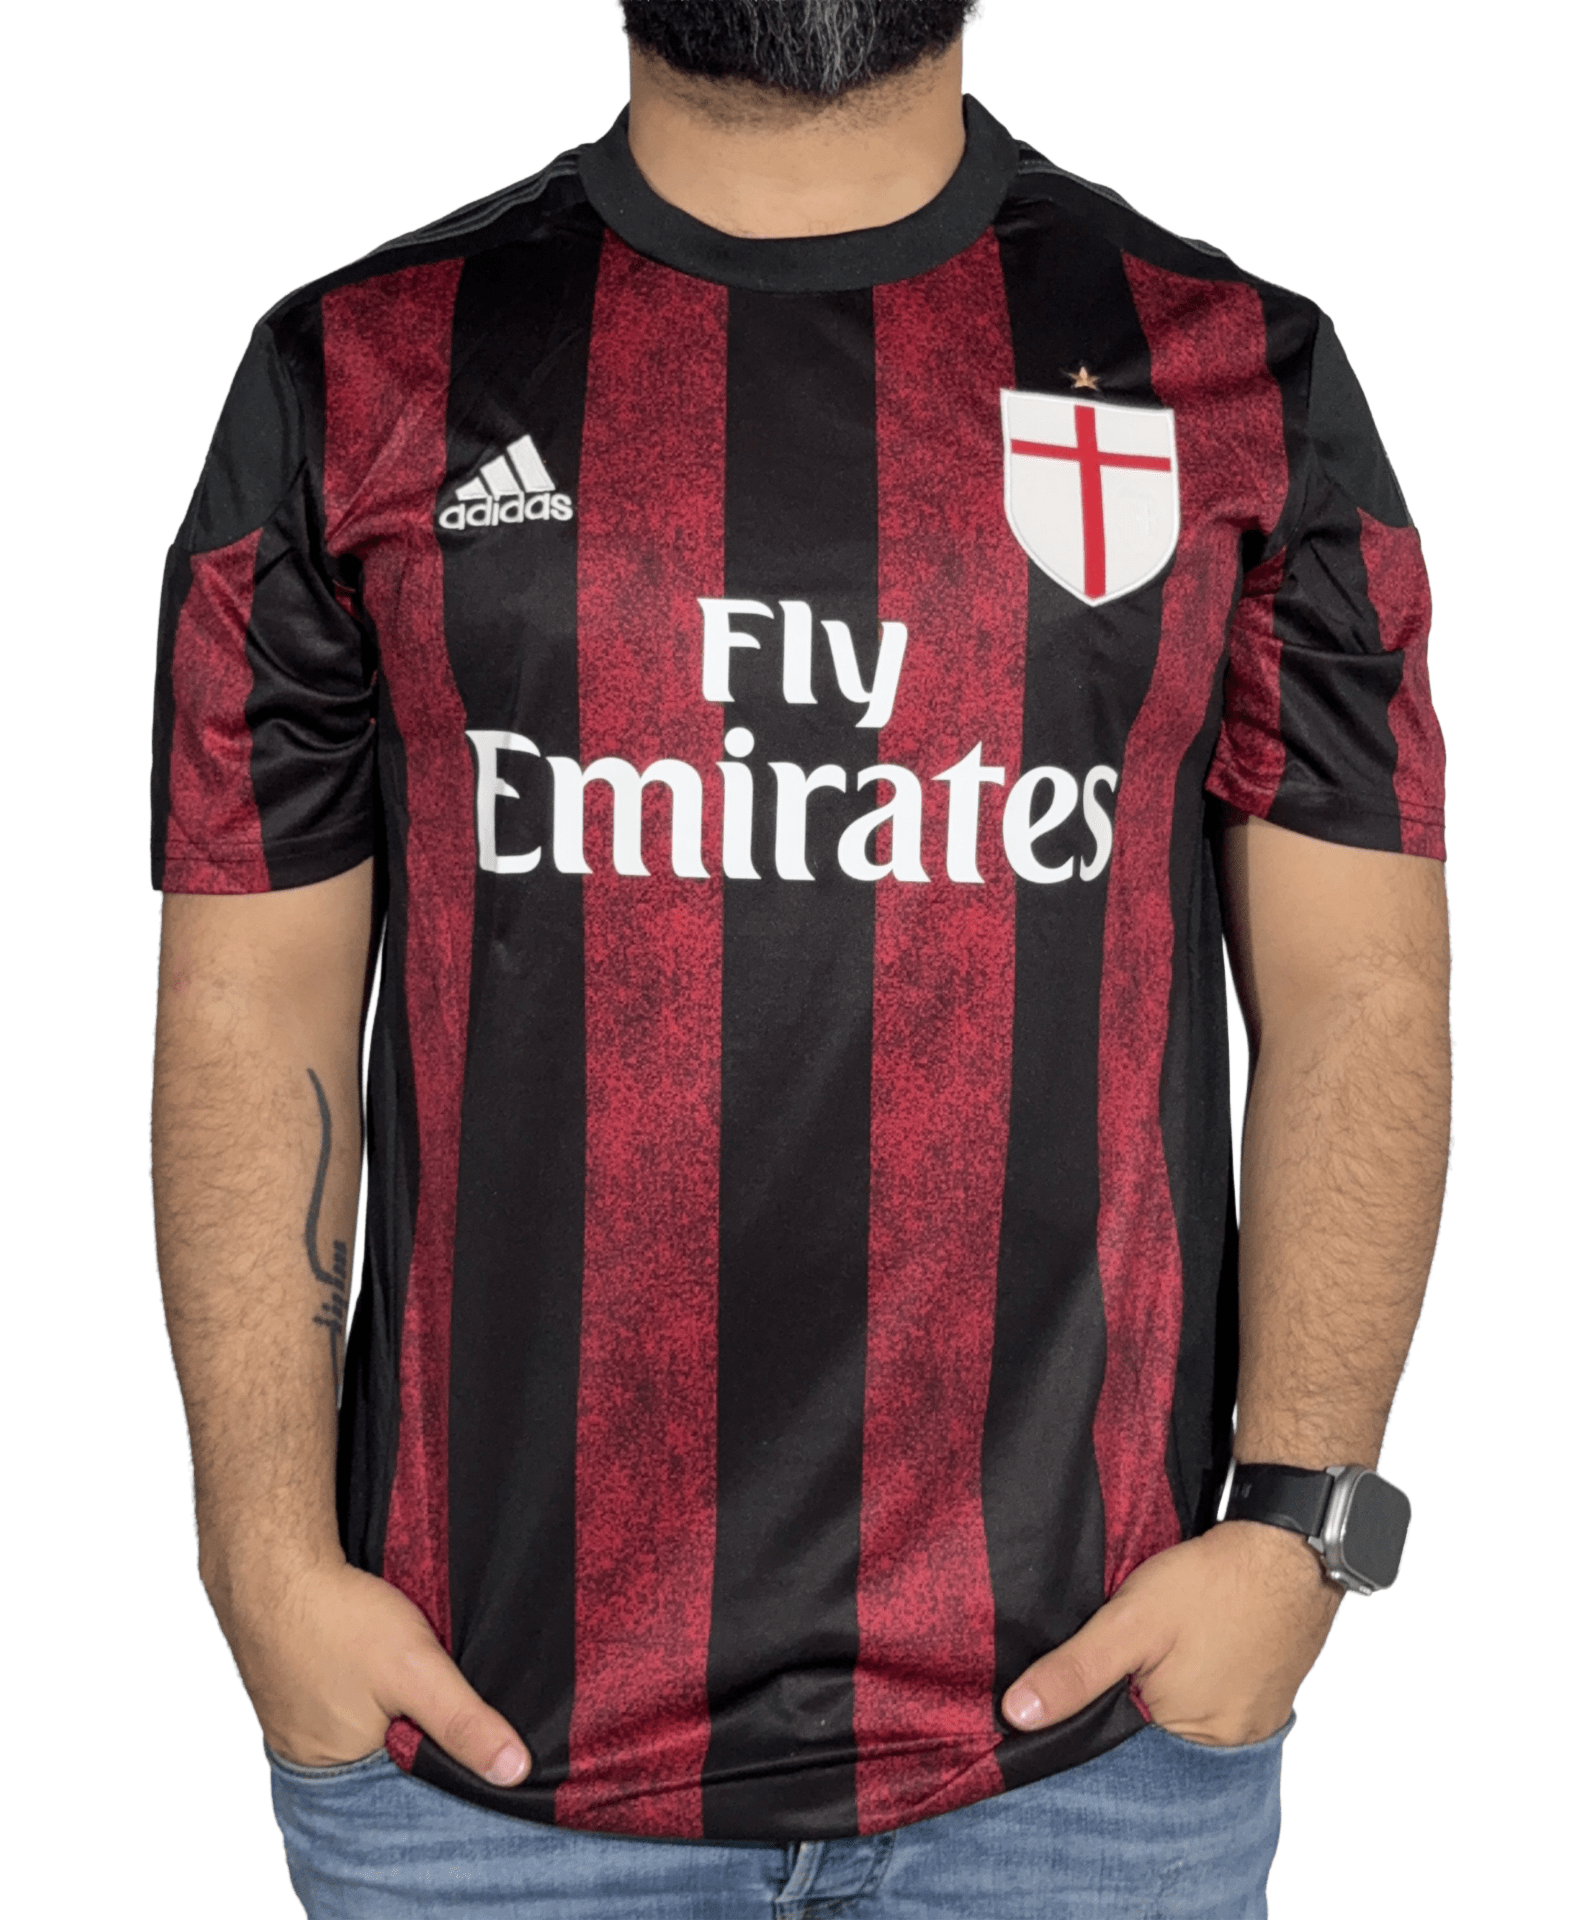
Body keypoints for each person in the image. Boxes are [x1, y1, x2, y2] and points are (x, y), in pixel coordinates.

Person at [150, 2, 1450, 1913]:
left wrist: (1300, 1531)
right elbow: (249, 1000)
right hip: (476, 1776)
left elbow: (1360, 992)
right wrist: (263, 1564)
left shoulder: (1238, 373)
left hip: (1087, 1769)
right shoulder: (354, 372)